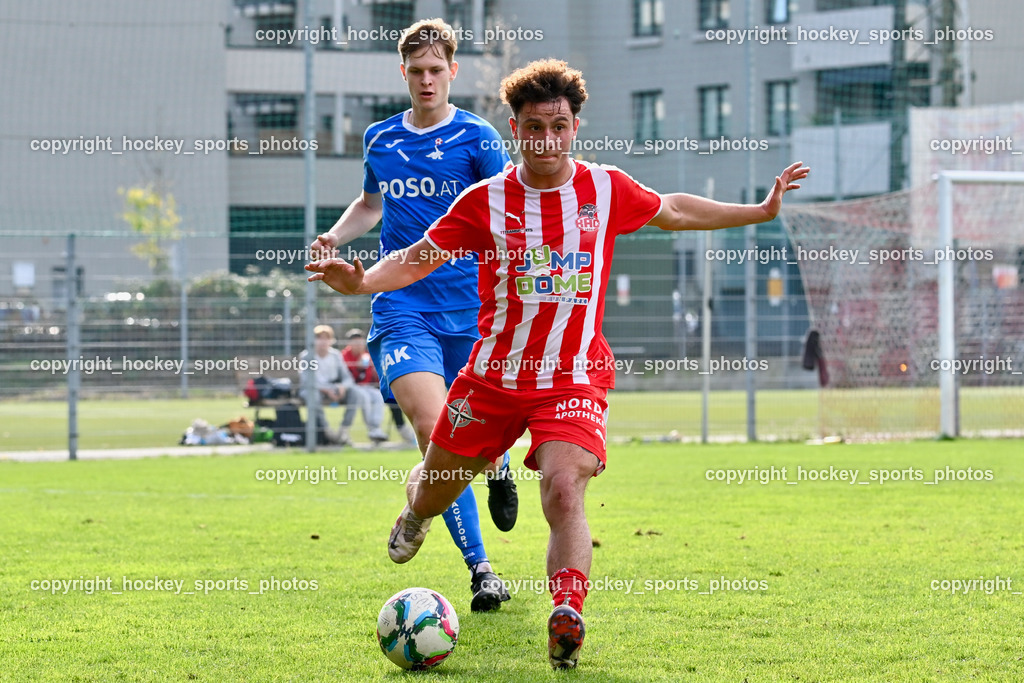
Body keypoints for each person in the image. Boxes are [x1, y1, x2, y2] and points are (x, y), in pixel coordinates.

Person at [308, 58, 809, 669]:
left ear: (575, 127)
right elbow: (415, 259)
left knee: (564, 488)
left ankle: (567, 612)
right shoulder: (484, 202)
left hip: (571, 377)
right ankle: (416, 510)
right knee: (438, 488)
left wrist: (758, 211)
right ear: (514, 131)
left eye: (559, 125)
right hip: (492, 378)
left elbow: (673, 209)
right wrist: (359, 284)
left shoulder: (605, 189)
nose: (547, 139)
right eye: (533, 127)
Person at [308, 18, 519, 612]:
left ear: (452, 71)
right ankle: (482, 571)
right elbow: (371, 203)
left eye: (436, 70)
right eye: (416, 71)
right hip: (403, 308)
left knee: (470, 440)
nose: (427, 80)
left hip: (473, 313)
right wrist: (334, 235)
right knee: (437, 436)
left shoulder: (478, 138)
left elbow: (502, 213)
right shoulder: (381, 139)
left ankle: (498, 464)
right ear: (403, 73)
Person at [297, 325, 387, 442]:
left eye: (326, 338)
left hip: (334, 388)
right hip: (313, 389)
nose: (323, 341)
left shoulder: (335, 355)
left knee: (355, 393)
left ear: (331, 340)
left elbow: (347, 378)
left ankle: (343, 431)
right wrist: (326, 390)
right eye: (319, 338)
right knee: (313, 396)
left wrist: (342, 387)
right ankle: (326, 431)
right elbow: (307, 380)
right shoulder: (306, 356)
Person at [340, 328, 417, 446]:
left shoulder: (366, 356)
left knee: (378, 396)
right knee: (363, 396)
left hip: (368, 387)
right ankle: (371, 429)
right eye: (355, 342)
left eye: (360, 342)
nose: (358, 345)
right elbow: (348, 376)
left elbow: (372, 376)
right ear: (349, 344)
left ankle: (376, 429)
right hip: (353, 388)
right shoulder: (344, 356)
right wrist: (357, 367)